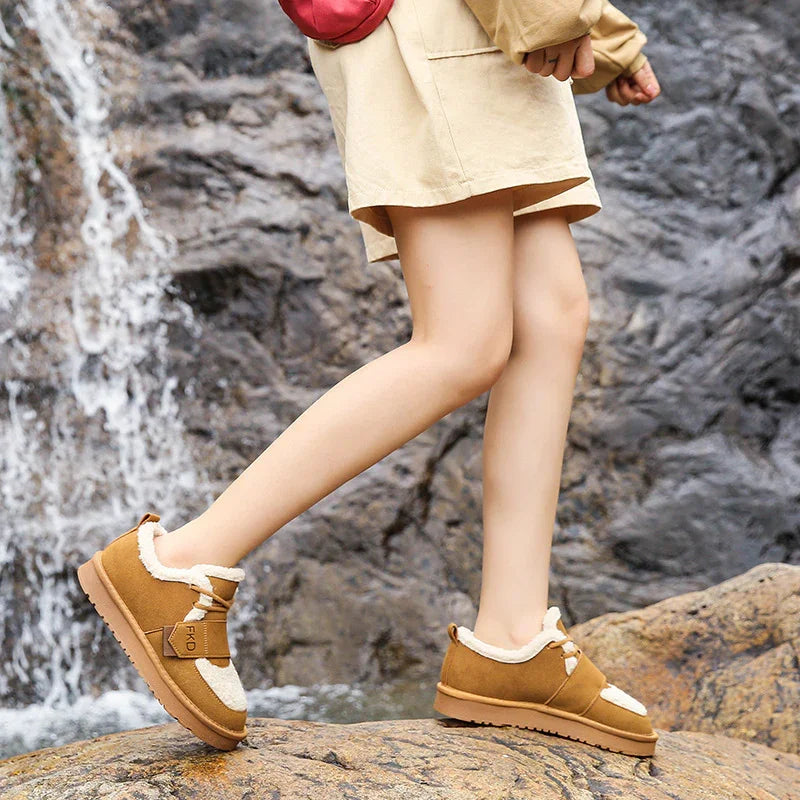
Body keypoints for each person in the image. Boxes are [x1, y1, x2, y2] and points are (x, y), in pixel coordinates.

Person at [77, 0, 661, 756]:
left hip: (490, 30)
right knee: (463, 342)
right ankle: (178, 564)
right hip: (451, 24)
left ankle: (510, 640)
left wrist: (602, 34)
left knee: (550, 319)